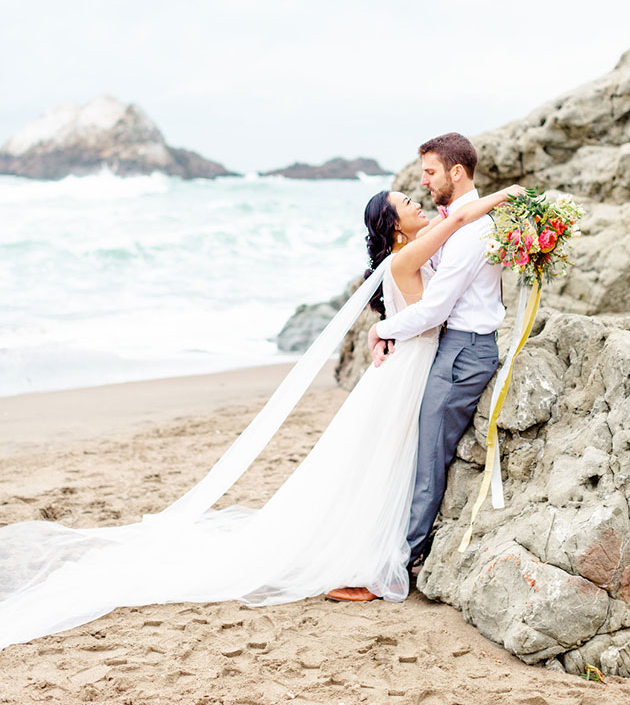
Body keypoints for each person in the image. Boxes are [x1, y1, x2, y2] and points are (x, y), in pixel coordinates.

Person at [0, 155, 520, 649]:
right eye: (406, 200)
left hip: (414, 365)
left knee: (385, 459)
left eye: (415, 190)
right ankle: (377, 556)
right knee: (385, 459)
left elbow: (455, 225)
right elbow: (461, 223)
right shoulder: (412, 251)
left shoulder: (415, 241)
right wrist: (509, 195)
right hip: (409, 367)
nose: (416, 198)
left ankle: (384, 548)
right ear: (396, 225)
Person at [365, 132, 509, 582]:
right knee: (420, 452)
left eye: (430, 172)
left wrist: (383, 328)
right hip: (453, 346)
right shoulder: (457, 223)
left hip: (464, 350)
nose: (424, 182)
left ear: (457, 173)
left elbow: (436, 308)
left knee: (428, 458)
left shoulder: (473, 231)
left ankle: (399, 565)